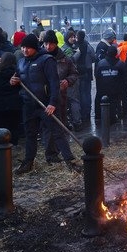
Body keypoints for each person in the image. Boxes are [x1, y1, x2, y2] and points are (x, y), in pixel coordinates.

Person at [12, 34, 77, 174]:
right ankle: (28, 162)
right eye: (23, 47)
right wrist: (13, 82)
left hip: (46, 105)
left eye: (28, 48)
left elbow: (54, 83)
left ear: (34, 47)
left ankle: (71, 162)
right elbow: (18, 80)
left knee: (58, 133)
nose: (24, 50)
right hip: (29, 105)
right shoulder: (21, 62)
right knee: (30, 134)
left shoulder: (47, 60)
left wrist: (53, 102)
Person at [40, 30, 79, 168]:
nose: (48, 47)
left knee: (60, 125)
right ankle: (50, 154)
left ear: (56, 44)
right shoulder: (40, 58)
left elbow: (74, 73)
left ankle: (59, 152)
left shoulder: (65, 59)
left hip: (60, 98)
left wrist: (68, 81)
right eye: (45, 44)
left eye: (50, 44)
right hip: (45, 97)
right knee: (48, 127)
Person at [72, 30, 96, 124]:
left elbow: (73, 59)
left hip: (79, 73)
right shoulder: (89, 46)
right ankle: (88, 113)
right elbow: (94, 58)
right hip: (88, 72)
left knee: (80, 94)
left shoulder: (75, 46)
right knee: (87, 93)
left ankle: (82, 114)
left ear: (77, 37)